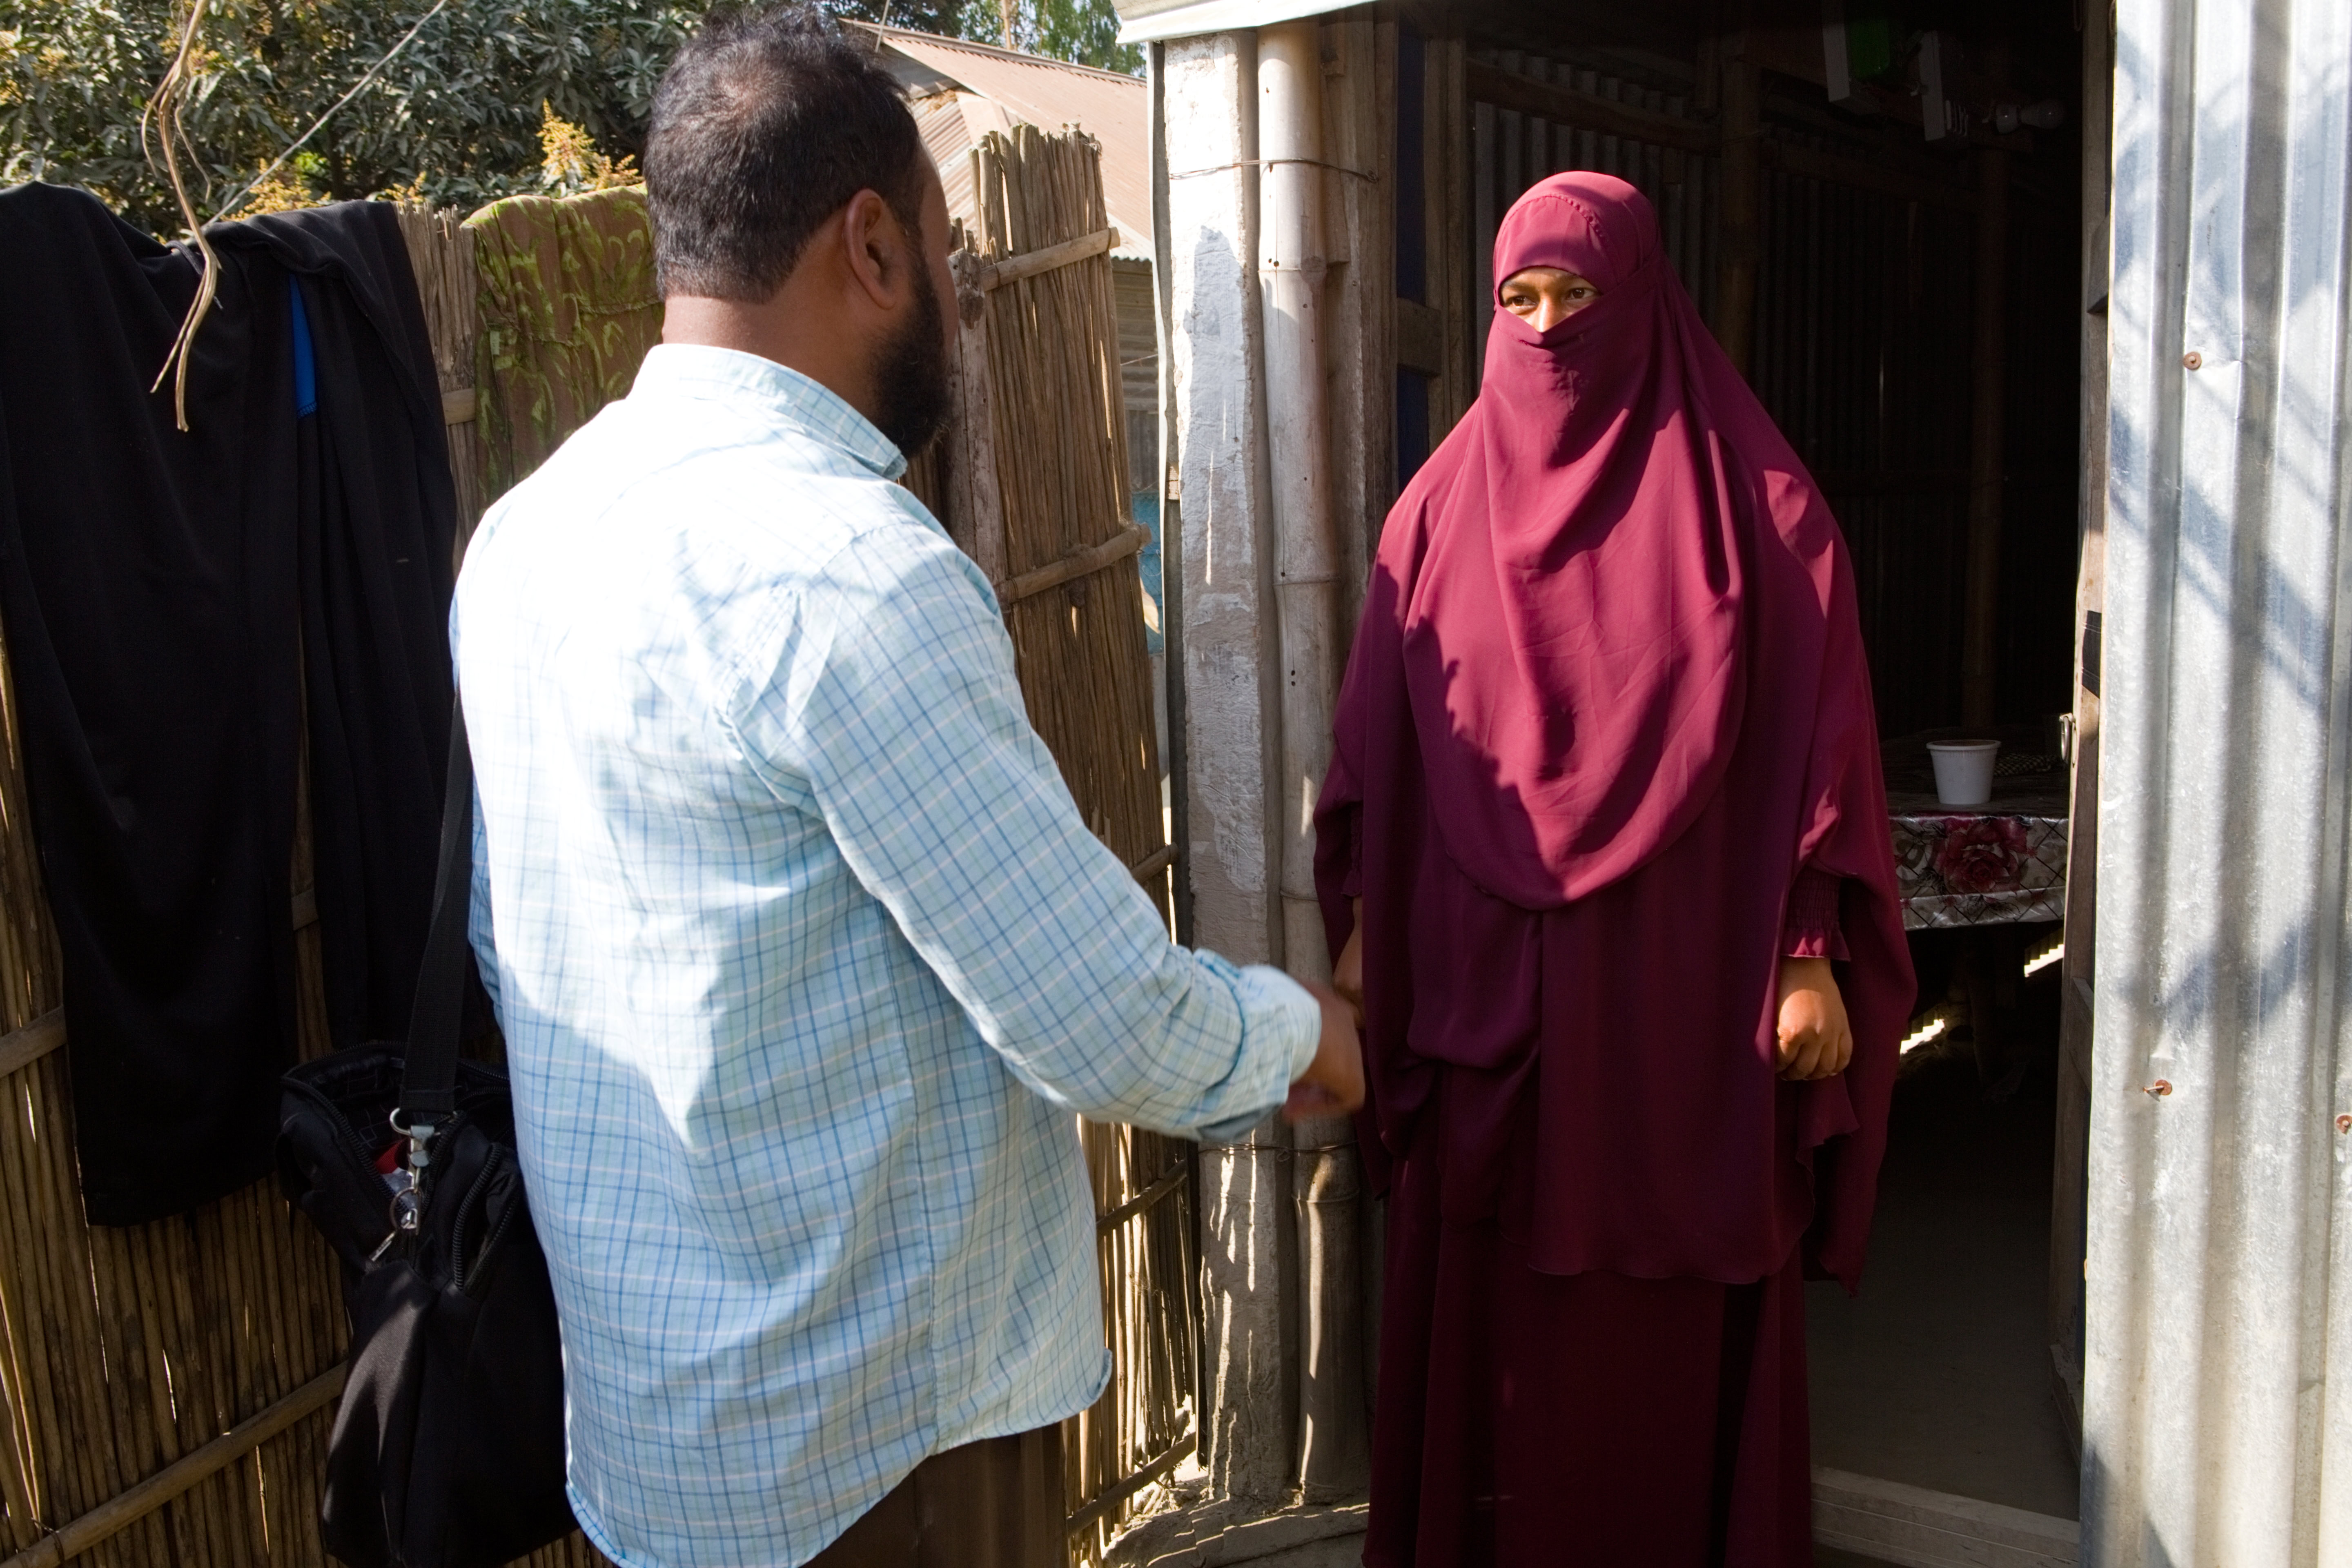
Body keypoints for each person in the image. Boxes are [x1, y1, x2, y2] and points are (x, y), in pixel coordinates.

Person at [451, 9, 1364, 1567]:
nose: (962, 305)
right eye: (952, 263)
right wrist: (1310, 1033)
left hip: (651, 1441)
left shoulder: (525, 538)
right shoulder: (848, 571)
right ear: (870, 244)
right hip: (875, 1454)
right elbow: (1099, 1020)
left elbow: (504, 944)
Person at [1315, 173, 1915, 1566]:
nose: (1545, 328)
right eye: (1518, 299)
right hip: (1492, 1023)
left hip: (1682, 1010)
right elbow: (1378, 757)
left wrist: (1810, 947)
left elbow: (1820, 737)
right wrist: (1358, 956)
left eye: (1578, 295)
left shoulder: (1766, 516)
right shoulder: (1433, 517)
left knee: (1666, 1337)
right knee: (1493, 1314)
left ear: (1644, 299)